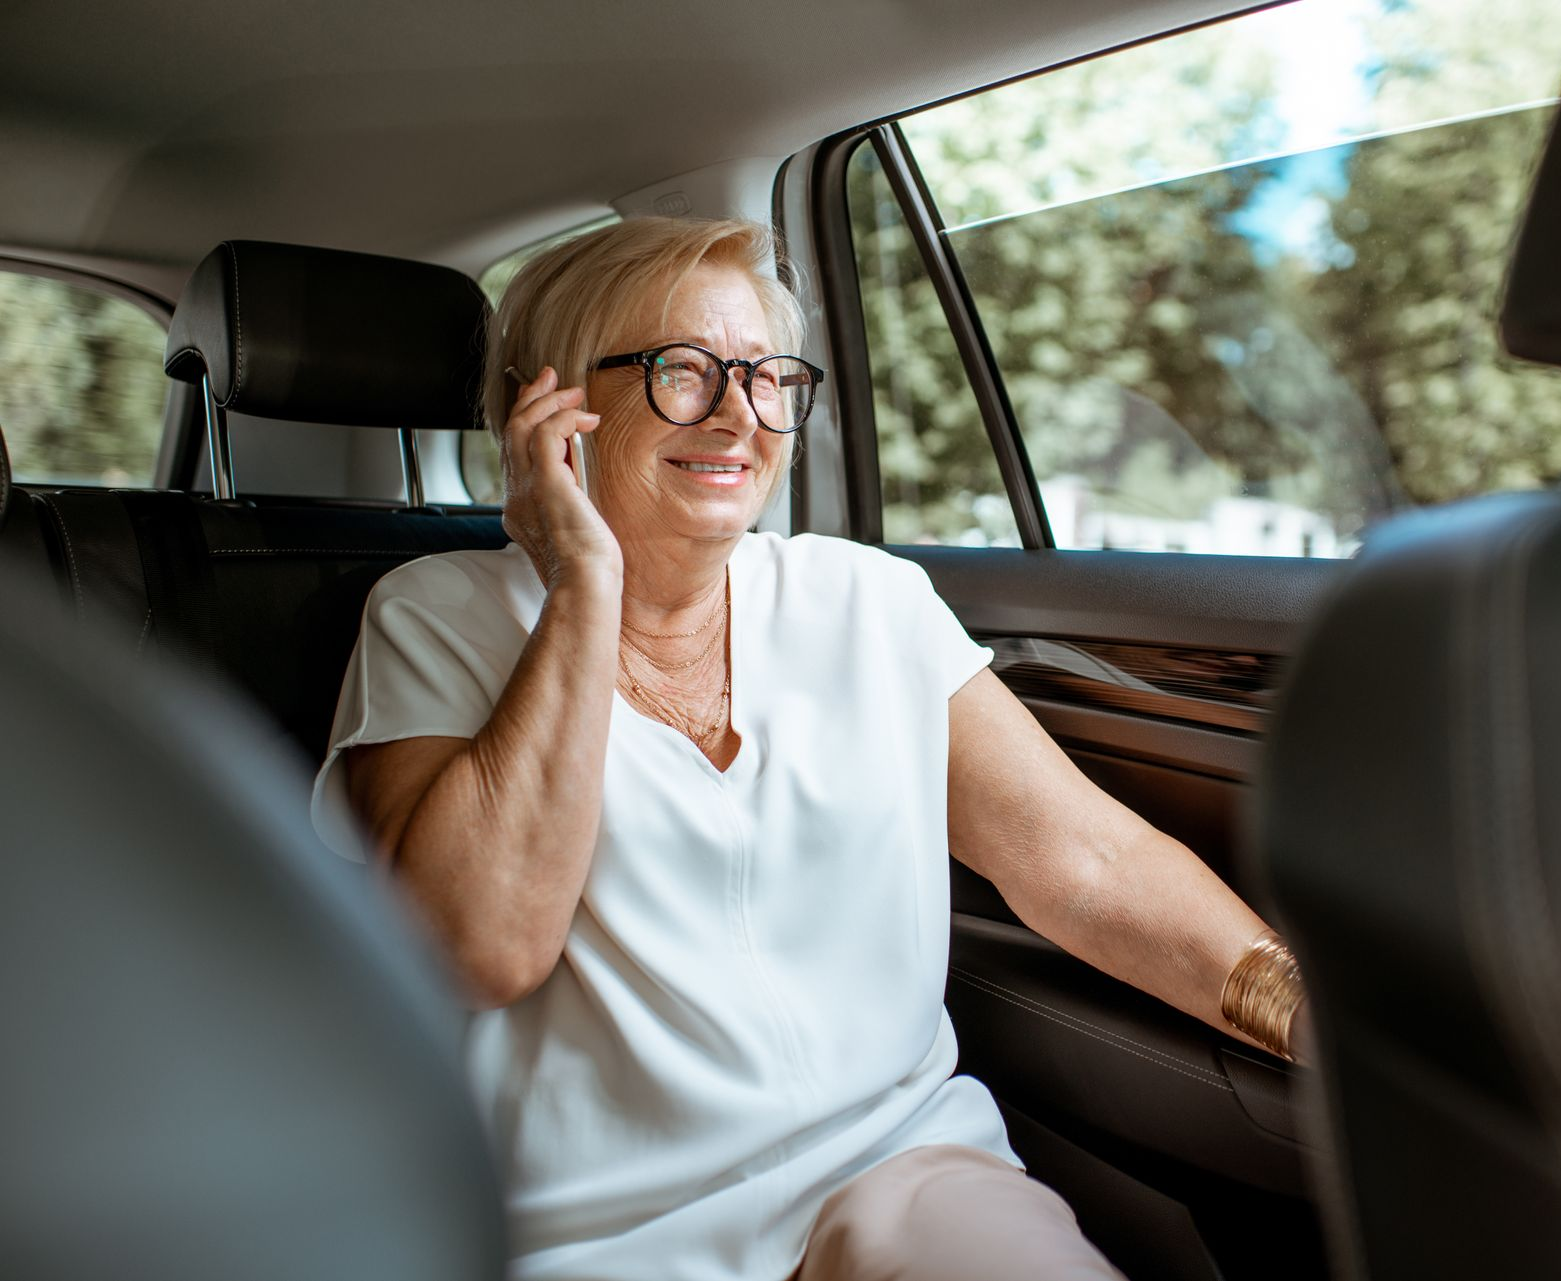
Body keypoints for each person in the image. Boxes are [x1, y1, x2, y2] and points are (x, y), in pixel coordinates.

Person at [312, 217, 1306, 1281]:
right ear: (550, 404)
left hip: (899, 1173)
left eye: (768, 375)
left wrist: (1309, 1016)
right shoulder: (433, 614)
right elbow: (478, 948)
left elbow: (1085, 861)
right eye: (683, 370)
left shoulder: (868, 599)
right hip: (597, 1236)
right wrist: (581, 582)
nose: (741, 414)